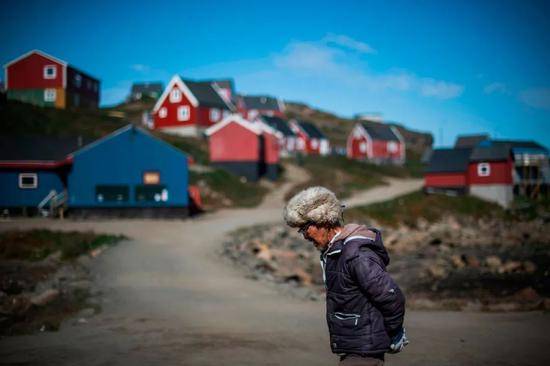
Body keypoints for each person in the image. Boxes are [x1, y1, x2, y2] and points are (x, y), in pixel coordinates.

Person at [283, 186, 408, 365]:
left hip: (364, 353)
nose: (304, 236)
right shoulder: (335, 252)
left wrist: (392, 332)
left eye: (305, 228)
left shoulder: (356, 256)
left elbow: (392, 297)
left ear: (323, 220)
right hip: (356, 349)